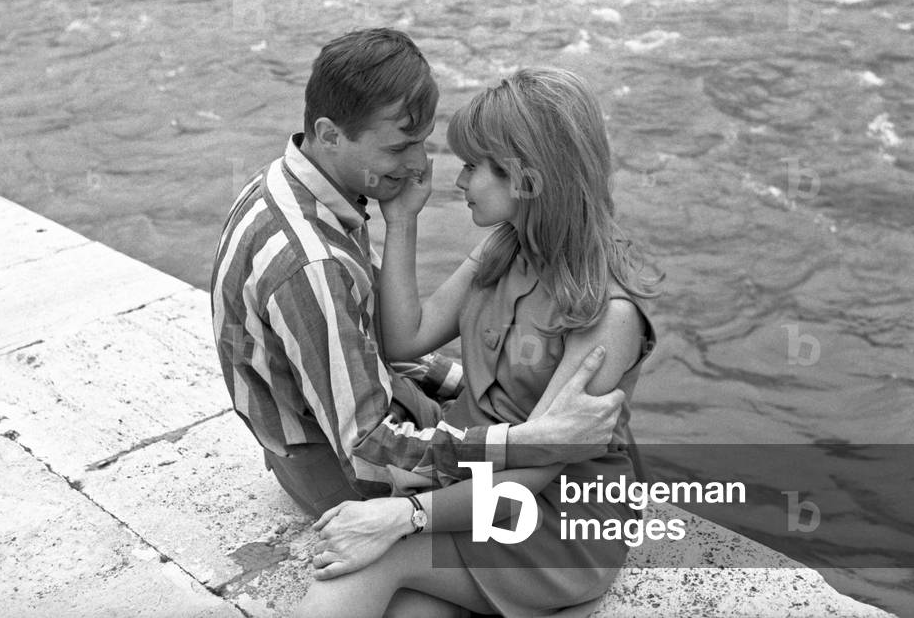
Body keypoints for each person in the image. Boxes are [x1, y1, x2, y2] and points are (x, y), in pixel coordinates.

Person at [210, 30, 625, 524]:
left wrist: (462, 385)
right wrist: (526, 440)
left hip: (311, 441)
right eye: (399, 148)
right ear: (329, 134)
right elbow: (371, 450)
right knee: (541, 473)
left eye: (421, 143)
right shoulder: (312, 263)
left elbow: (366, 343)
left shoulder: (289, 186)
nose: (418, 166)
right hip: (344, 476)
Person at [293, 66, 660, 618]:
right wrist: (401, 221)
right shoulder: (503, 248)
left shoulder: (608, 313)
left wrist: (407, 515)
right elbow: (405, 339)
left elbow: (539, 464)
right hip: (476, 482)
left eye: (471, 166)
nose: (457, 181)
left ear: (525, 177)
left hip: (550, 519)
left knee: (365, 564)